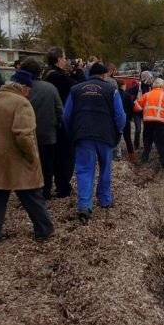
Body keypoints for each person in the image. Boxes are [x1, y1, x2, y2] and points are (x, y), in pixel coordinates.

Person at [0, 70, 54, 245]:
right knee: (32, 197)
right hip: (17, 160)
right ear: (23, 87)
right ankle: (44, 229)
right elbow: (23, 135)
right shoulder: (21, 103)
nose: (28, 93)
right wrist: (32, 157)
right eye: (28, 89)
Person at [64, 63, 126, 221]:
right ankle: (105, 199)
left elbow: (66, 116)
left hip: (83, 134)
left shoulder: (75, 89)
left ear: (89, 74)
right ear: (104, 75)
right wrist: (118, 131)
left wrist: (72, 133)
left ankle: (84, 205)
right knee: (105, 167)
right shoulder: (111, 90)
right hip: (105, 135)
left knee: (84, 169)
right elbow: (120, 116)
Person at [20, 58, 64, 200]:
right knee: (47, 165)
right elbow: (60, 110)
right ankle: (45, 191)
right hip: (48, 134)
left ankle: (28, 192)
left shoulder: (20, 89)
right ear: (39, 72)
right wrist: (58, 125)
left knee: (26, 165)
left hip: (25, 134)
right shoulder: (50, 88)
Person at [43, 47, 79, 198]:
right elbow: (77, 87)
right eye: (64, 58)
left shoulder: (46, 73)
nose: (65, 61)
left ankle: (50, 187)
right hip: (61, 120)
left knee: (52, 157)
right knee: (66, 156)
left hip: (47, 119)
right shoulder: (59, 76)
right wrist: (78, 70)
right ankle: (63, 187)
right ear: (58, 59)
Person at [134, 78, 164, 168]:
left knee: (147, 142)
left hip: (147, 122)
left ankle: (144, 160)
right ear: (162, 86)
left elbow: (136, 107)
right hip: (160, 123)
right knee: (161, 144)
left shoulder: (146, 95)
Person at [117, 81, 136, 163]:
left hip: (117, 119)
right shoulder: (127, 95)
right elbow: (132, 107)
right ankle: (132, 157)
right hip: (126, 119)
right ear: (123, 86)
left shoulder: (115, 95)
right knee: (128, 139)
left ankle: (116, 156)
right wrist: (131, 117)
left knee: (116, 138)